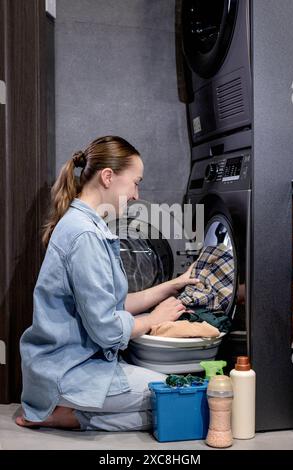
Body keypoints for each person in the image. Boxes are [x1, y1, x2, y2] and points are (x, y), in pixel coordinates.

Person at [15, 135, 199, 432]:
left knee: (170, 401)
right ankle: (65, 411)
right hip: (68, 373)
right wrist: (153, 319)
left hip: (63, 367)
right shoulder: (84, 235)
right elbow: (107, 329)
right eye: (135, 182)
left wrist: (172, 285)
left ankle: (66, 413)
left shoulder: (86, 225)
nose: (137, 194)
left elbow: (112, 304)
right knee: (177, 396)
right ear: (108, 177)